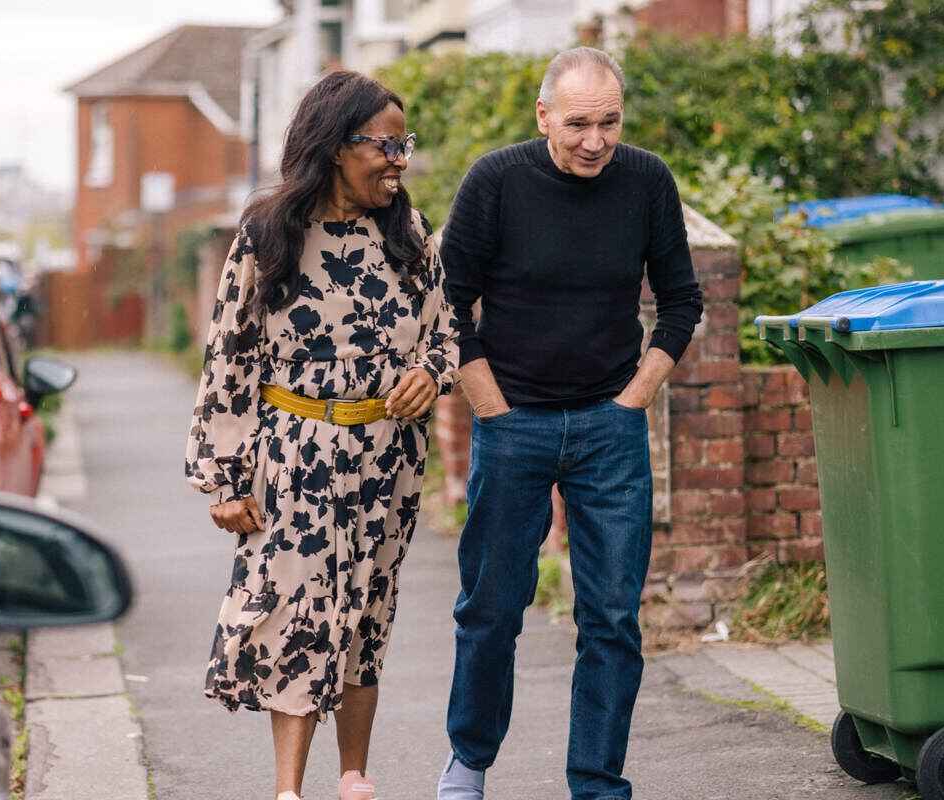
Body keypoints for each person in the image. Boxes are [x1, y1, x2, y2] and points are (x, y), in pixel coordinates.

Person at [436, 47, 705, 800]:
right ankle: (469, 761)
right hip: (512, 422)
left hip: (608, 428)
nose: (596, 141)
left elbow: (681, 301)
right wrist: (490, 405)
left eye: (610, 122)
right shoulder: (496, 182)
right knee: (491, 608)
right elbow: (447, 306)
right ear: (544, 116)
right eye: (579, 124)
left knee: (613, 620)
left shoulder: (647, 180)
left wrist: (635, 398)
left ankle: (596, 783)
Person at [186, 70, 458, 800]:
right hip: (296, 459)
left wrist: (431, 372)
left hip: (387, 461)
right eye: (386, 145)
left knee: (368, 616)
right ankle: (288, 792)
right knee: (299, 620)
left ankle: (353, 779)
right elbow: (229, 357)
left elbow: (447, 331)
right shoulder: (270, 232)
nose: (399, 159)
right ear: (338, 146)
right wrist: (223, 476)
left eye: (406, 145)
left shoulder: (408, 231)